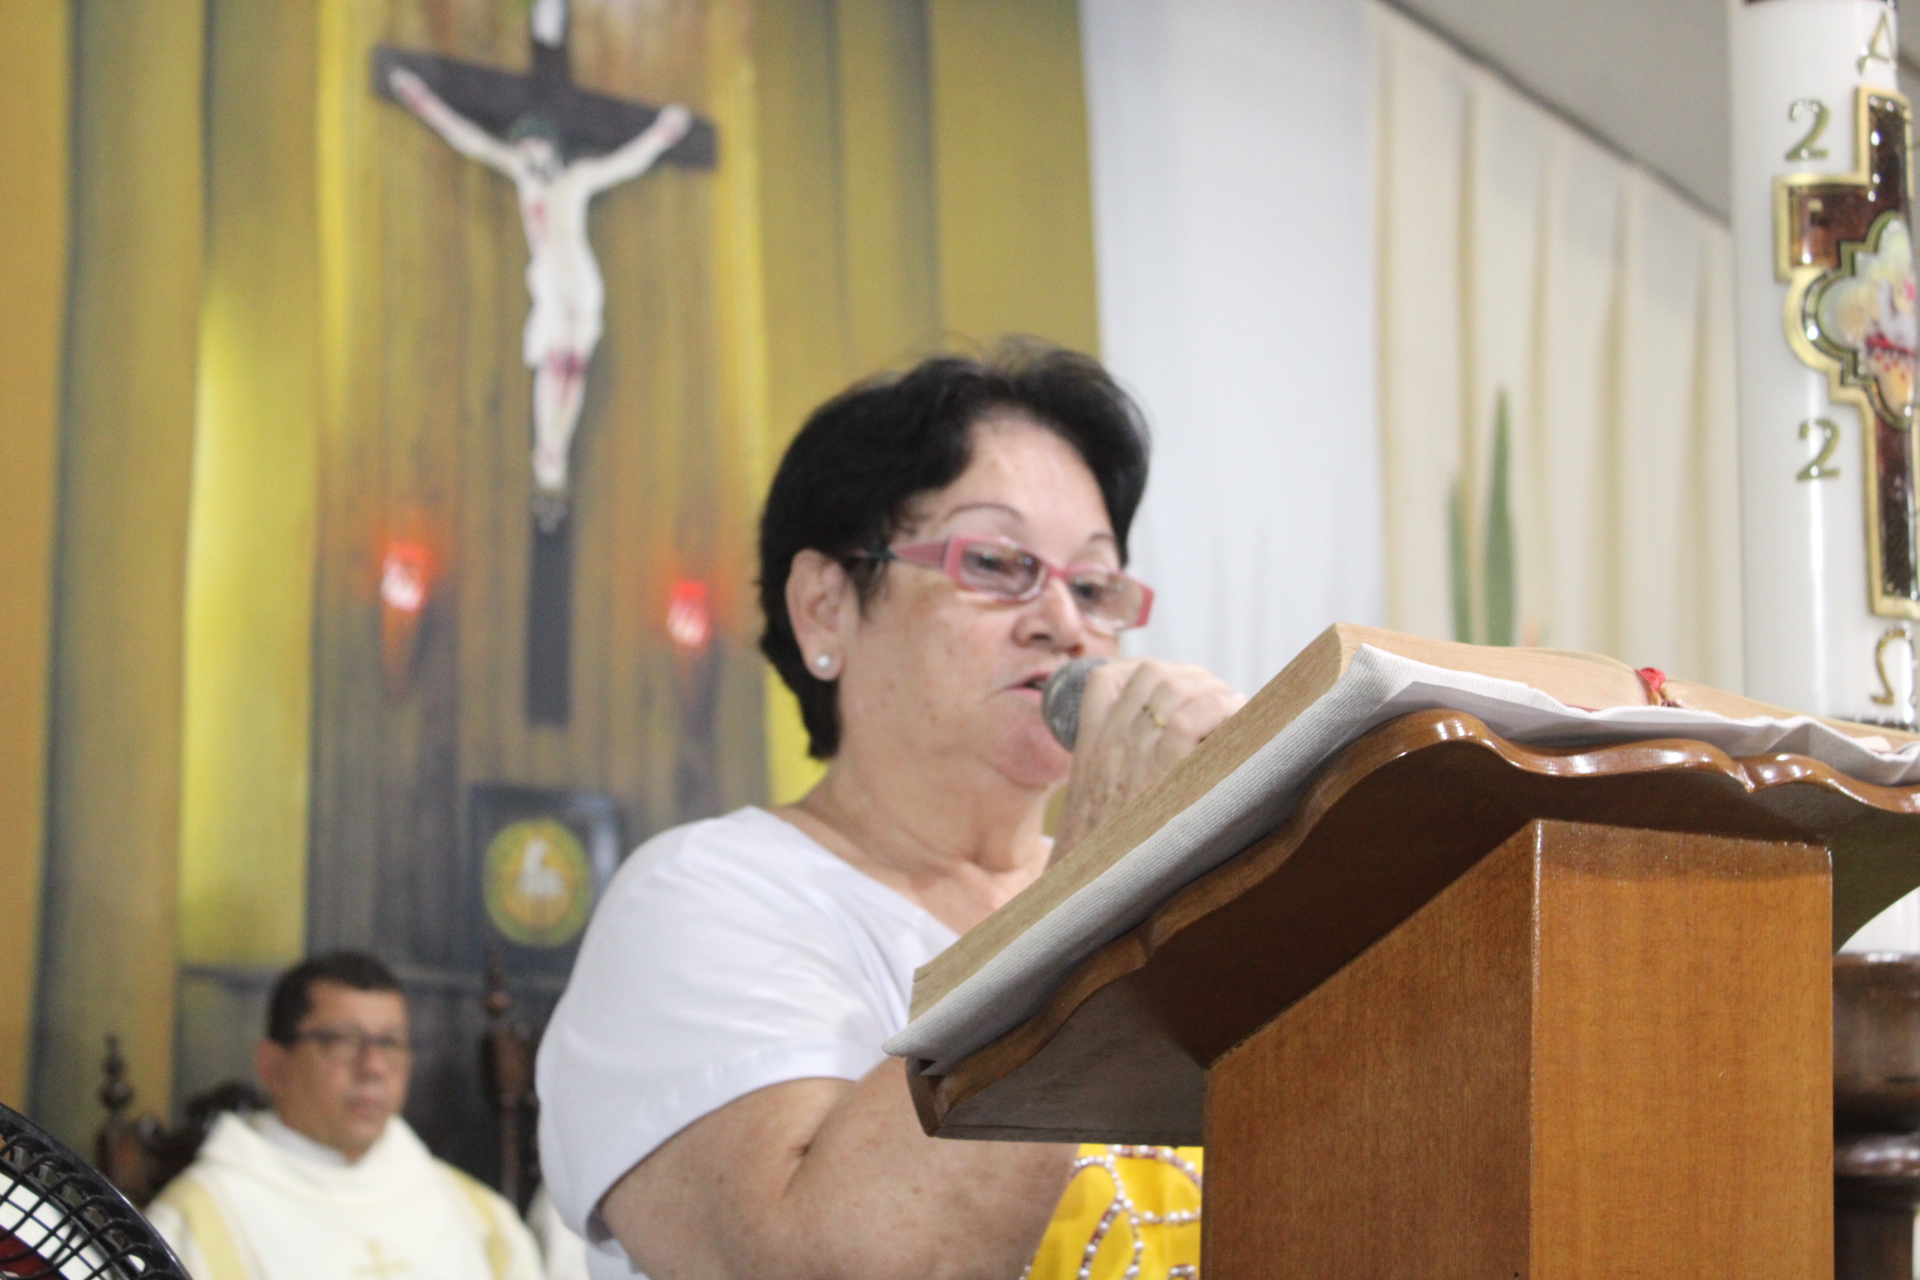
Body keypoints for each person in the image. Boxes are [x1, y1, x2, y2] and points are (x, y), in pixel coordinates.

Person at [537, 342, 1243, 1280]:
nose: (1064, 623)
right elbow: (831, 1264)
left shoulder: (1150, 889)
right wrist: (1102, 884)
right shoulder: (701, 898)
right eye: (996, 562)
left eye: (1091, 585)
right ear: (825, 608)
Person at [387, 65, 692, 529]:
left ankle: (555, 453)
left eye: (536, 146)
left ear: (551, 147)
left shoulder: (575, 180)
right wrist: (421, 99)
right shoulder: (523, 177)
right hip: (550, 278)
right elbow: (470, 140)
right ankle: (549, 454)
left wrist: (663, 133)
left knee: (574, 364)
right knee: (555, 359)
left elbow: (624, 164)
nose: (530, 154)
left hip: (581, 282)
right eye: (524, 147)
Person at [148, 952, 543, 1280]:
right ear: (273, 1066)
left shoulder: (480, 1221)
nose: (373, 1067)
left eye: (390, 1043)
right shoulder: (193, 1222)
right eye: (342, 1041)